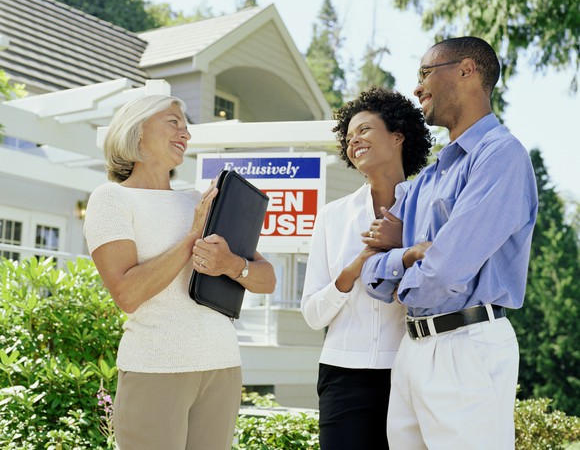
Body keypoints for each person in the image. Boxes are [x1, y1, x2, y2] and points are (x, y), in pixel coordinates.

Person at [362, 37, 539, 449]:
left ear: (466, 70)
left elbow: (444, 270)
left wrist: (402, 265)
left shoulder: (500, 156)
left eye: (425, 74)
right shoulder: (426, 178)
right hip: (413, 350)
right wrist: (411, 252)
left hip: (467, 347)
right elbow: (370, 269)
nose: (417, 88)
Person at [83, 95, 276, 450]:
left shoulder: (197, 199)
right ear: (137, 130)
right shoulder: (111, 199)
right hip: (156, 369)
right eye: (173, 121)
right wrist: (191, 236)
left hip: (222, 366)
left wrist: (231, 265)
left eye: (186, 126)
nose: (185, 133)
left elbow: (267, 278)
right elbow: (127, 294)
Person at [301, 87, 432, 449]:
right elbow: (313, 314)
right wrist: (356, 267)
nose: (353, 140)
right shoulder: (332, 217)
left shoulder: (430, 210)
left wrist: (401, 248)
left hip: (411, 369)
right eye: (348, 136)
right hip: (342, 377)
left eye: (364, 130)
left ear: (398, 135)